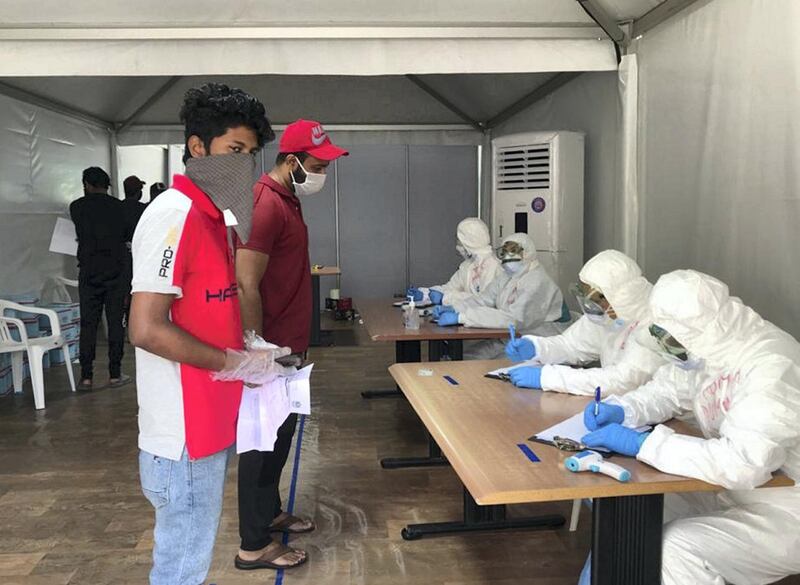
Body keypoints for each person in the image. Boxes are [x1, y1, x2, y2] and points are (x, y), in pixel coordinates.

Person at [128, 83, 289, 585]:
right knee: (181, 568)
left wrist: (248, 345)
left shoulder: (214, 217)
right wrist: (233, 363)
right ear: (198, 148)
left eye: (250, 155)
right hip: (182, 432)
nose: (244, 166)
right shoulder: (173, 215)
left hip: (210, 421)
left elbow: (209, 305)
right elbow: (146, 328)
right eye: (233, 151)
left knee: (190, 557)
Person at [578, 270, 800, 585]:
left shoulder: (773, 365)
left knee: (676, 550)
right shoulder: (713, 345)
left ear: (696, 331)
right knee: (624, 503)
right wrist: (624, 409)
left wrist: (647, 445)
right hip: (730, 491)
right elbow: (669, 390)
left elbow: (744, 464)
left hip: (784, 510)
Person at [234, 119, 348, 571]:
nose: (323, 173)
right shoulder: (265, 204)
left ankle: (269, 511)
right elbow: (246, 283)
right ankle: (253, 544)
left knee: (280, 437)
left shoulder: (287, 200)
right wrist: (258, 350)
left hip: (288, 347)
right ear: (291, 160)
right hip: (269, 350)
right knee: (260, 443)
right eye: (318, 165)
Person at [504, 250, 665, 394]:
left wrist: (548, 378)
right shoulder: (608, 317)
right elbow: (570, 345)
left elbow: (623, 381)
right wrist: (536, 348)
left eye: (595, 300)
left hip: (669, 421)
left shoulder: (653, 326)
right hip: (625, 406)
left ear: (620, 298)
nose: (588, 306)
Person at [435, 232, 570, 359]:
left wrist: (462, 317)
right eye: (504, 252)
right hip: (512, 336)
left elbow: (514, 319)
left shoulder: (537, 281)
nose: (507, 257)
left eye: (514, 252)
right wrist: (455, 308)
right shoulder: (508, 276)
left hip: (540, 340)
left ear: (528, 253)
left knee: (483, 368)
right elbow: (484, 299)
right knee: (466, 358)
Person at [69, 166, 130, 391]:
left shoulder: (76, 207)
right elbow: (126, 235)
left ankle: (86, 376)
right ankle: (115, 374)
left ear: (86, 184)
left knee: (89, 324)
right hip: (116, 271)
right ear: (107, 184)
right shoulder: (119, 207)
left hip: (88, 271)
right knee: (115, 322)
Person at [407, 217, 502, 307]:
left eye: (459, 241)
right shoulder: (467, 266)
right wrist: (425, 293)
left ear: (469, 241)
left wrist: (446, 298)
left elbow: (484, 300)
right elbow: (450, 288)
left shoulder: (494, 266)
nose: (457, 245)